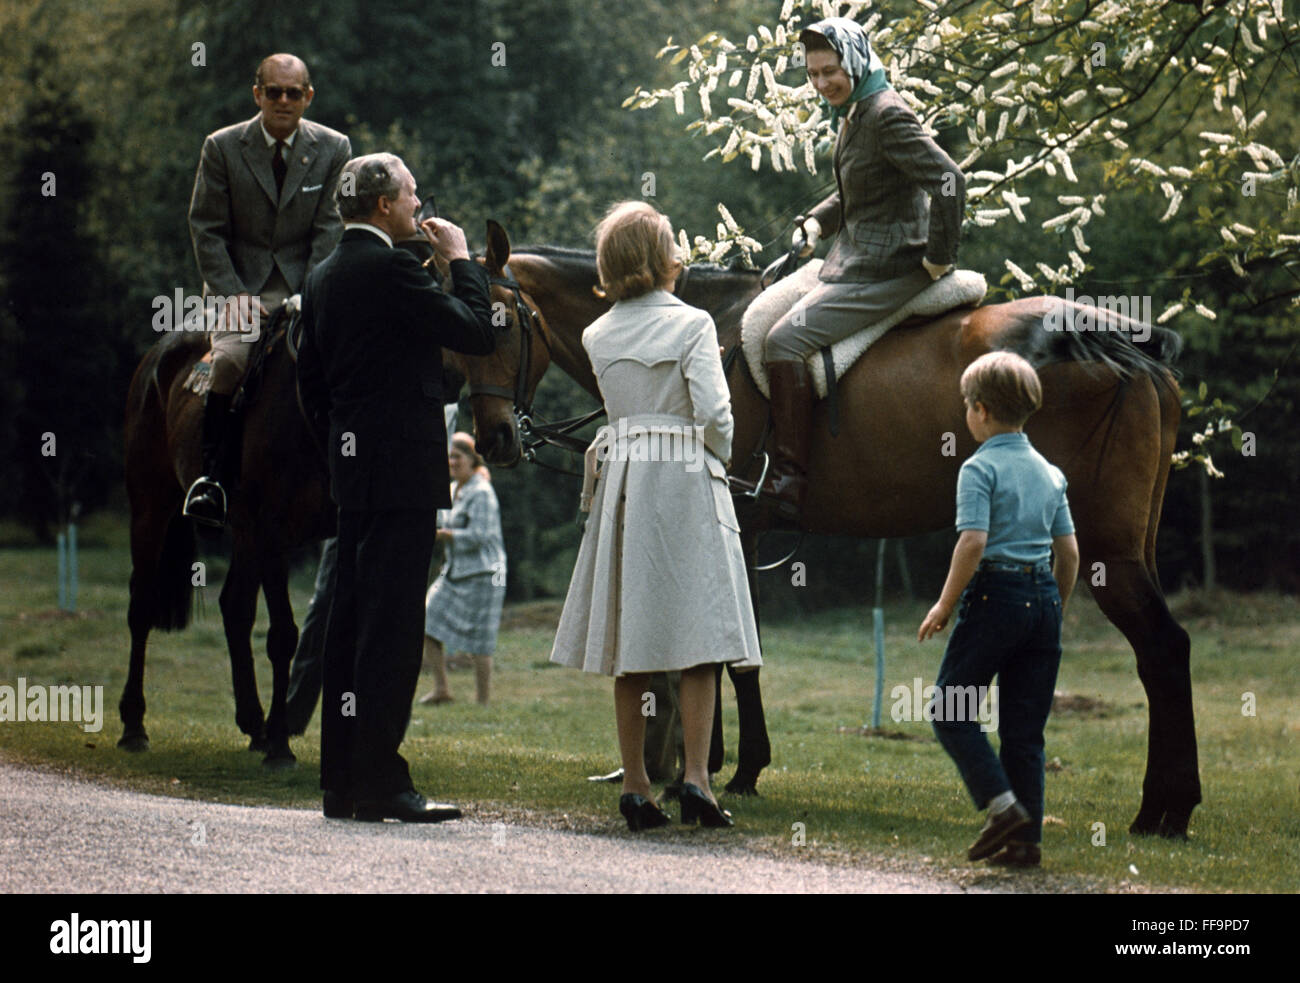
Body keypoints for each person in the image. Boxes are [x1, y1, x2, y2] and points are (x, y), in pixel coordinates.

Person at [296, 153, 498, 822]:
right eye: (412, 194)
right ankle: (381, 781)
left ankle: (342, 783)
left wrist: (344, 446)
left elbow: (310, 384)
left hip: (353, 476)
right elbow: (472, 329)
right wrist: (464, 260)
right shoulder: (389, 269)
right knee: (392, 631)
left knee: (350, 625)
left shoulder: (324, 275)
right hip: (405, 476)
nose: (420, 204)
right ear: (383, 205)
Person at [551, 201, 762, 831]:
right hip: (687, 475)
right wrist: (717, 460)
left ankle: (638, 785)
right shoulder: (694, 323)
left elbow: (623, 412)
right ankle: (696, 779)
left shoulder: (596, 333)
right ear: (662, 256)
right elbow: (717, 416)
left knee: (630, 637)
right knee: (699, 637)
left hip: (625, 480)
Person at [730, 16, 966, 522]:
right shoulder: (858, 110)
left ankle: (791, 476)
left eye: (830, 71)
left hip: (890, 267)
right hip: (854, 257)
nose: (821, 83)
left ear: (855, 60)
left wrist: (939, 258)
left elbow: (949, 179)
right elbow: (863, 187)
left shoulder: (884, 114)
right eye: (813, 74)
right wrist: (816, 224)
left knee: (782, 342)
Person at [918, 351, 1079, 866]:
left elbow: (972, 541)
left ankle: (1002, 806)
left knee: (950, 709)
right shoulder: (1050, 472)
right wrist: (1053, 606)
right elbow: (1070, 552)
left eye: (967, 405)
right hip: (1043, 603)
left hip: (995, 599)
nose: (966, 414)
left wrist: (945, 603)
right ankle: (1025, 845)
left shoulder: (979, 467)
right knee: (1024, 731)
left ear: (982, 410)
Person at [184, 52, 351, 528]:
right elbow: (207, 229)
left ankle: (347, 474)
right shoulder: (221, 147)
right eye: (273, 92)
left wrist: (309, 291)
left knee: (348, 363)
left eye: (293, 92)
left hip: (306, 288)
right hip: (238, 287)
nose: (283, 101)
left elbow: (328, 229)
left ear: (308, 97)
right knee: (232, 361)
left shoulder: (334, 147)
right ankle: (211, 478)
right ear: (256, 94)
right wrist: (233, 294)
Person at [418, 433, 507, 707]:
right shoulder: (453, 488)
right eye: (449, 456)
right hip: (455, 572)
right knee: (424, 621)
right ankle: (442, 689)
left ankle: (483, 702)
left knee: (481, 641)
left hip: (485, 573)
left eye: (458, 456)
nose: (452, 461)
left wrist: (444, 535)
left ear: (472, 459)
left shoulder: (481, 491)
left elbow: (480, 535)